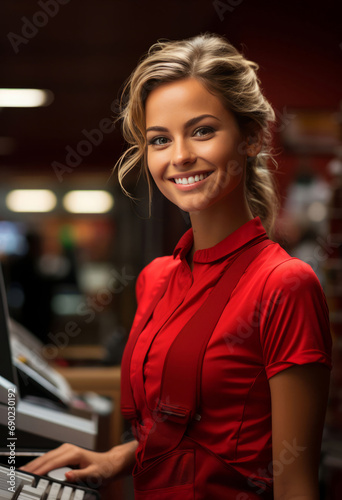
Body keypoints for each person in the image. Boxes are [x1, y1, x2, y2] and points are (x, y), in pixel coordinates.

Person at [22, 33, 332, 499]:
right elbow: (185, 435)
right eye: (160, 140)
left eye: (203, 130)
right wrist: (115, 458)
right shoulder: (156, 278)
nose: (180, 155)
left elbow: (295, 483)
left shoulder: (285, 284)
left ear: (249, 137)